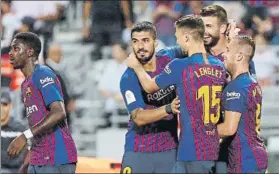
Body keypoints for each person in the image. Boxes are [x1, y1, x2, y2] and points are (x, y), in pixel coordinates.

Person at [126, 15, 226, 173]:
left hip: (191, 148)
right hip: (213, 145)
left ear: (186, 37)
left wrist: (137, 67)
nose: (177, 42)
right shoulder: (220, 66)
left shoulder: (180, 66)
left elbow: (149, 87)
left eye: (178, 37)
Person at [7, 32, 77, 174]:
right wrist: (27, 164)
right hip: (38, 158)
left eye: (16, 48)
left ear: (30, 52)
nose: (10, 53)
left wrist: (24, 136)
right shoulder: (25, 84)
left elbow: (59, 112)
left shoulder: (43, 73)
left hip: (56, 158)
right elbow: (37, 125)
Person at [120, 21, 182, 173]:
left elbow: (194, 42)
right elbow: (138, 117)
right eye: (135, 41)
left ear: (156, 42)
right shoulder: (129, 77)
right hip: (138, 150)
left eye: (145, 40)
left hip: (169, 149)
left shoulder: (169, 58)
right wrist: (169, 108)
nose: (140, 46)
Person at [217, 35, 268, 173]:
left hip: (245, 160)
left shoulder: (237, 87)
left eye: (228, 50)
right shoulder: (252, 83)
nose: (224, 55)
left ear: (239, 56)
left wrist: (201, 133)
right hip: (255, 155)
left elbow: (229, 128)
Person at [200, 4, 256, 78]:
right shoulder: (196, 53)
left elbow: (249, 86)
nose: (203, 31)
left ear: (222, 28)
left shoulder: (239, 56)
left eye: (208, 26)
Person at [1, 88, 29, 173]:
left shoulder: (19, 130)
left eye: (4, 104)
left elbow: (17, 159)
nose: (1, 108)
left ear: (10, 105)